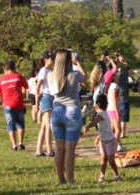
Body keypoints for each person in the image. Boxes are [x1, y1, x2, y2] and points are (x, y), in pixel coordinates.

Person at [49, 49, 86, 185]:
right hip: (71, 110)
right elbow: (84, 77)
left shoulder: (50, 76)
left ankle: (61, 179)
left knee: (59, 149)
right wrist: (78, 62)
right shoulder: (74, 75)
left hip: (57, 110)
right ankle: (70, 179)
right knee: (70, 149)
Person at [85, 93, 122, 182]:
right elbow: (104, 129)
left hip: (110, 141)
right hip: (103, 141)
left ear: (97, 106)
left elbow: (95, 122)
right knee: (103, 159)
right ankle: (102, 175)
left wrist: (87, 126)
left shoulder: (101, 114)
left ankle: (117, 175)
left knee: (111, 160)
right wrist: (98, 137)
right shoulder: (103, 114)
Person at [0, 60, 29, 151]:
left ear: (6, 68)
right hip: (19, 103)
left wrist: (3, 102)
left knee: (10, 124)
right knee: (20, 123)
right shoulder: (19, 77)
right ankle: (21, 143)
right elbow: (26, 86)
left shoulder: (2, 79)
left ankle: (14, 145)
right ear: (14, 68)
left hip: (8, 104)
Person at [34, 51, 55, 157]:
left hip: (50, 97)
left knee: (43, 126)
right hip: (46, 97)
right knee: (48, 125)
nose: (53, 60)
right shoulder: (43, 70)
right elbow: (38, 87)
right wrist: (37, 104)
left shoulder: (49, 70)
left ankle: (38, 150)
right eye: (51, 58)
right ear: (46, 59)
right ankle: (49, 150)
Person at [115, 53, 132, 141]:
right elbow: (131, 72)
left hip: (115, 98)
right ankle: (122, 134)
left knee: (116, 116)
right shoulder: (123, 74)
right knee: (124, 117)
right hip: (124, 97)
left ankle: (116, 131)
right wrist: (124, 62)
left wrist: (116, 61)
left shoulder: (114, 75)